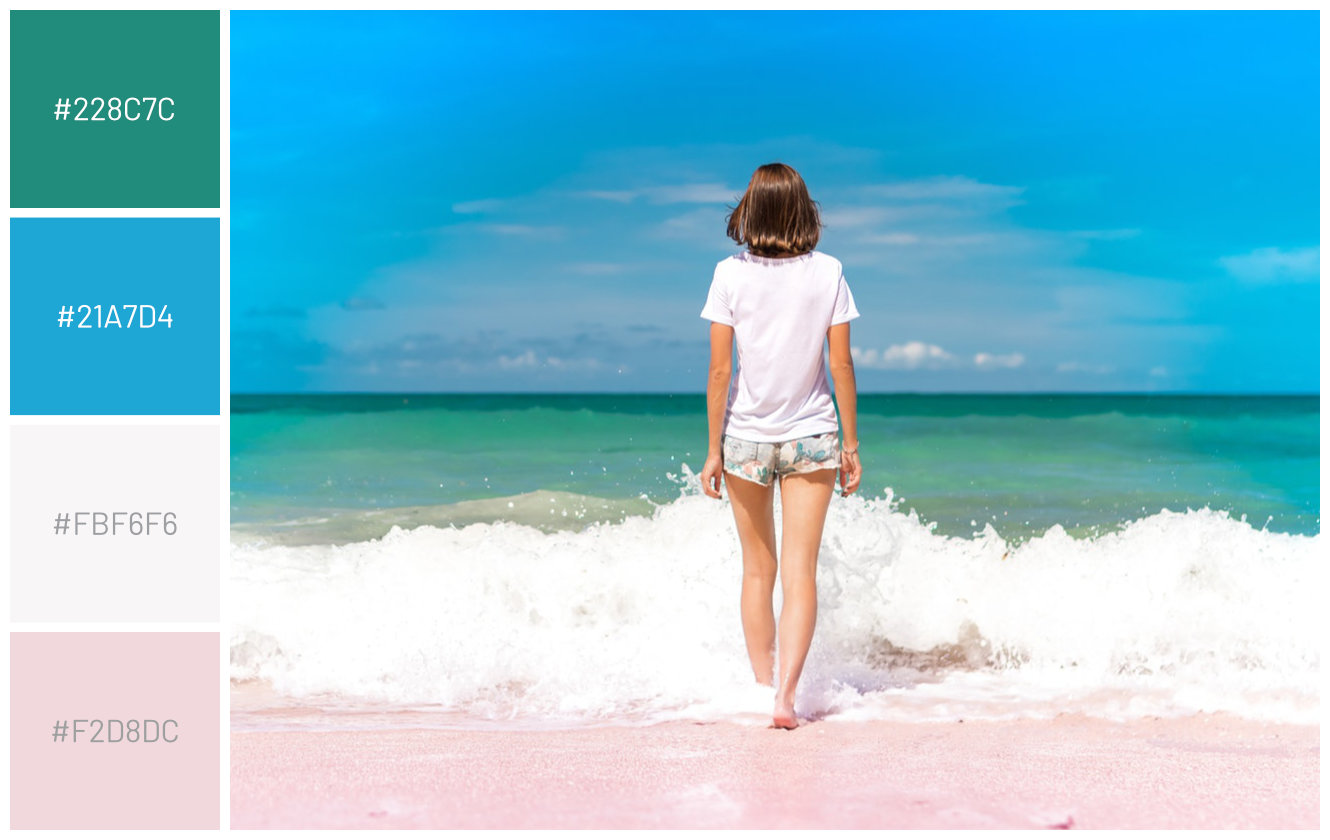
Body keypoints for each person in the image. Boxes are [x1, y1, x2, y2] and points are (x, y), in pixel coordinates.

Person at [698, 162, 862, 730]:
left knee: (756, 573)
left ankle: (761, 688)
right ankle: (785, 700)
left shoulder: (727, 274)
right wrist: (852, 443)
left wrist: (713, 449)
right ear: (802, 209)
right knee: (800, 573)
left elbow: (721, 372)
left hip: (744, 436)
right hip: (813, 434)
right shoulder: (830, 272)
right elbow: (840, 363)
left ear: (751, 209)